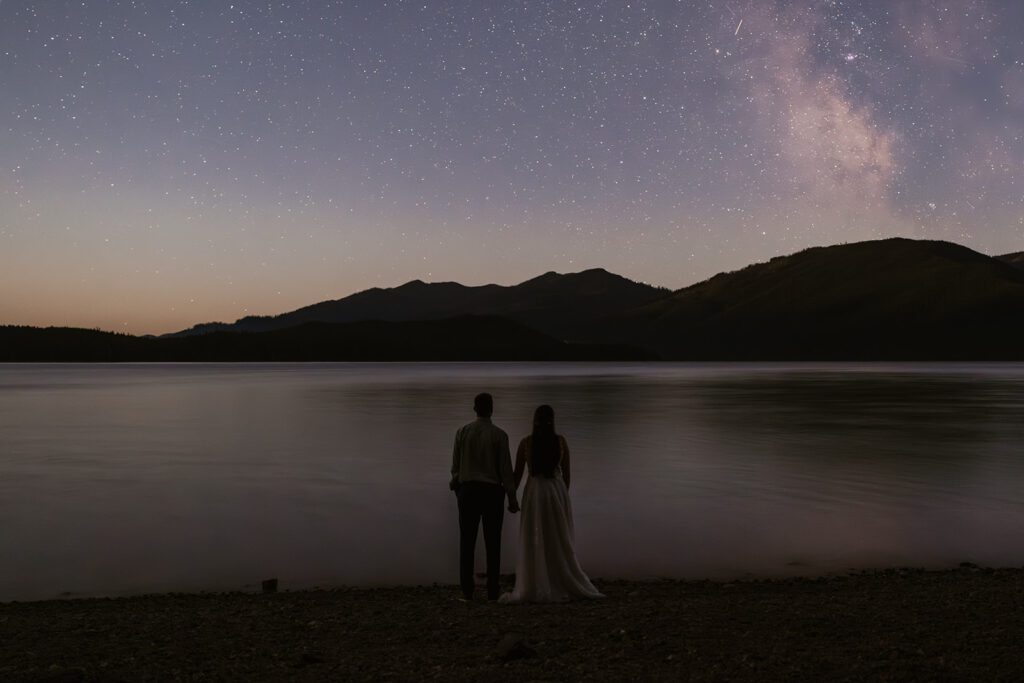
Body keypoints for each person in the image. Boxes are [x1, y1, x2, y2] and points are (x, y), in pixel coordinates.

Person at [501, 404, 603, 603]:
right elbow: (567, 476)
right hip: (556, 491)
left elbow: (517, 476)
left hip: (535, 492)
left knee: (535, 534)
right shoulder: (561, 442)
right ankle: (560, 574)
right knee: (557, 535)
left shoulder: (526, 443)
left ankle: (536, 578)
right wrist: (561, 495)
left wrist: (508, 494)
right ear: (552, 421)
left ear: (534, 421)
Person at [450, 392, 519, 601]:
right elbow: (506, 472)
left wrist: (457, 488)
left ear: (474, 409)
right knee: (493, 542)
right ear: (492, 409)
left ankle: (467, 591)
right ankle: (491, 591)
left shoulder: (462, 432)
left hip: (468, 490)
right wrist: (512, 499)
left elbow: (455, 469)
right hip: (491, 493)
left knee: (467, 541)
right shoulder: (500, 435)